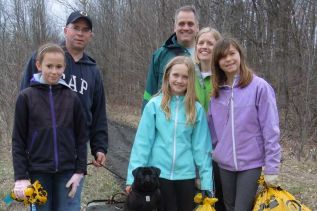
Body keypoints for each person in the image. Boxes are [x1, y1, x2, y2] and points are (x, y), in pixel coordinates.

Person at [20, 11, 108, 167]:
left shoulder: (93, 70)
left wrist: (99, 147)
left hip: (75, 150)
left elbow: (98, 112)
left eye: (85, 29)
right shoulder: (44, 58)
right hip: (40, 148)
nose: (80, 33)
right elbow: (24, 102)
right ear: (66, 30)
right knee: (39, 192)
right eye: (76, 27)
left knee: (70, 192)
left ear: (90, 35)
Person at [126, 56, 213, 211]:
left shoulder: (196, 109)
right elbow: (142, 144)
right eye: (175, 75)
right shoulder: (154, 105)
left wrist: (207, 183)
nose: (179, 80)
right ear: (167, 76)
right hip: (159, 177)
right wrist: (131, 179)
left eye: (185, 77)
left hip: (186, 177)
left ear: (191, 80)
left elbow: (202, 148)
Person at [207, 37, 281, 211]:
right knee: (229, 205)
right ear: (217, 62)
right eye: (223, 56)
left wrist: (272, 166)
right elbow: (213, 132)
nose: (229, 59)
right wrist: (214, 153)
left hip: (251, 163)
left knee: (242, 208)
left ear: (240, 55)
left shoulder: (259, 87)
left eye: (232, 53)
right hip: (224, 164)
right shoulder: (216, 93)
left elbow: (270, 128)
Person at [12, 43, 88, 211]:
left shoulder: (72, 98)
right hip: (37, 171)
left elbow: (82, 138)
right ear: (39, 65)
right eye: (49, 66)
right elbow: (18, 140)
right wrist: (21, 177)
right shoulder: (26, 97)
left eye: (59, 66)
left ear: (65, 67)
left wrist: (80, 171)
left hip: (68, 172)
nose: (54, 71)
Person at [194, 27, 226, 210]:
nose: (205, 47)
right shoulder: (188, 75)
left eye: (210, 43)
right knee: (197, 199)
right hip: (194, 149)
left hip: (219, 152)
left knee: (219, 200)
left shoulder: (225, 77)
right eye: (201, 43)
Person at [142, 5, 199, 109]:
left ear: (197, 27)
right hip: (165, 121)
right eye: (181, 24)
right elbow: (149, 93)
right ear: (175, 27)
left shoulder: (207, 55)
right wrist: (146, 122)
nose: (186, 28)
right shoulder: (160, 55)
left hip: (197, 121)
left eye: (190, 24)